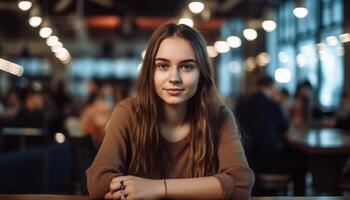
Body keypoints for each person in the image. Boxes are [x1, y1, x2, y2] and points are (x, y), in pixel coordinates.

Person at [86, 23, 254, 200]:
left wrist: (157, 188)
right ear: (151, 72)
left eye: (187, 66)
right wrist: (215, 187)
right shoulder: (128, 112)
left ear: (201, 73)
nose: (174, 78)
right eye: (163, 66)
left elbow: (240, 184)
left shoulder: (219, 116)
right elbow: (98, 183)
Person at [235, 75, 307, 195]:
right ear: (271, 87)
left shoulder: (241, 104)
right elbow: (286, 129)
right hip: (269, 161)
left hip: (248, 161)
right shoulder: (273, 104)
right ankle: (299, 197)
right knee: (302, 160)